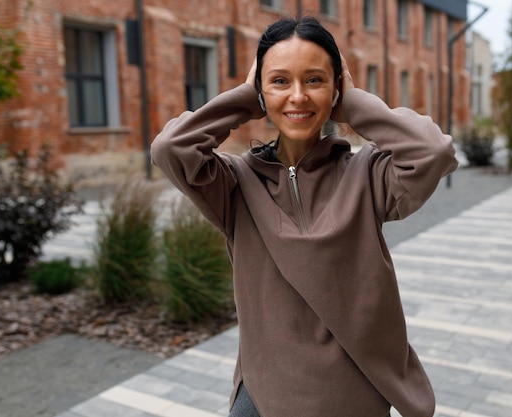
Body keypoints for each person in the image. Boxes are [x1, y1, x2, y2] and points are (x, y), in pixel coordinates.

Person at [151, 16, 457, 417]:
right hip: (263, 399)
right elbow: (170, 148)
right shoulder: (232, 186)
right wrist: (245, 98)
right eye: (279, 81)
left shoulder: (368, 174)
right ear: (261, 92)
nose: (298, 96)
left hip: (354, 400)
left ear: (336, 88)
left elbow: (432, 152)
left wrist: (354, 103)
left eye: (314, 80)